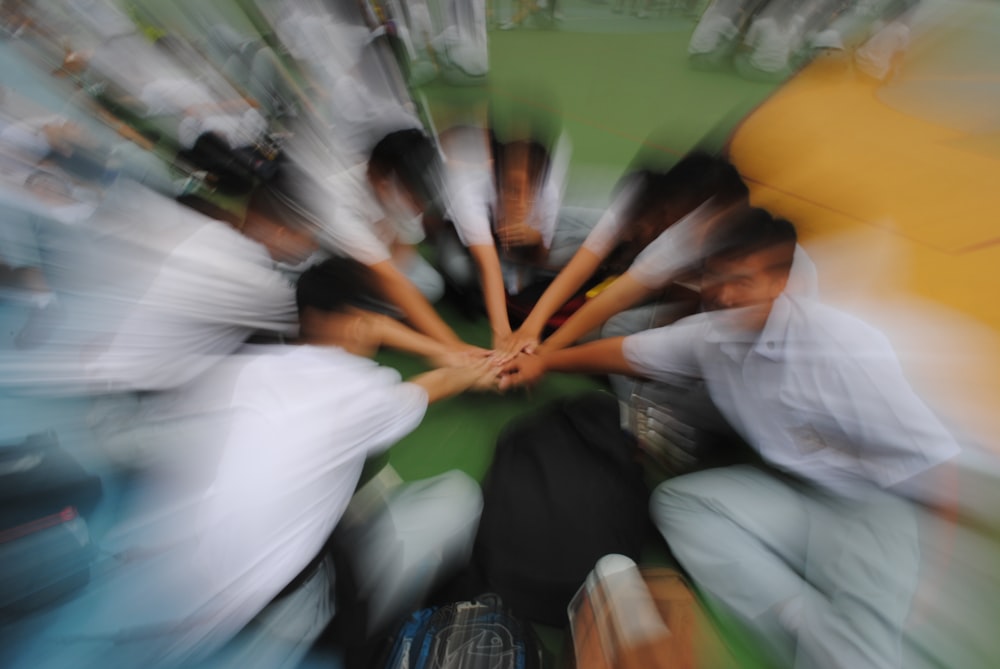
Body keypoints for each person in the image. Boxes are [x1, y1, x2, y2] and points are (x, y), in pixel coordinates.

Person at [500, 206, 959, 668]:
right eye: (714, 277)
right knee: (681, 505)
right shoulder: (714, 335)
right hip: (796, 495)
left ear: (781, 283)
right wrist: (544, 361)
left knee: (862, 653)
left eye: (742, 279)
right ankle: (807, 619)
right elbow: (632, 353)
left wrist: (930, 578)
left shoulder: (846, 352)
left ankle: (843, 631)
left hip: (873, 506)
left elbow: (933, 463)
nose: (722, 294)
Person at [10, 256, 497, 669]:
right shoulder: (361, 389)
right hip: (264, 615)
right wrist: (476, 366)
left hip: (140, 585)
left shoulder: (236, 369)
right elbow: (425, 389)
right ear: (357, 321)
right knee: (458, 498)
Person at [309, 128, 477, 351]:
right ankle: (363, 319)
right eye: (410, 195)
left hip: (374, 263)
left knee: (430, 284)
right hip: (326, 268)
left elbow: (405, 248)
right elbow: (388, 277)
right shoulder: (337, 200)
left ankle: (372, 312)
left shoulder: (407, 187)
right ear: (378, 176)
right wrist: (454, 347)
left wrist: (388, 270)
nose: (416, 205)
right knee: (389, 291)